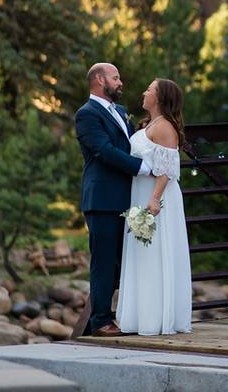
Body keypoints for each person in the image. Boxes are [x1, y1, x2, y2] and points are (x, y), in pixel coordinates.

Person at [74, 62, 154, 338]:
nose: (121, 82)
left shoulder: (119, 111)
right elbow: (104, 151)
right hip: (102, 199)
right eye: (115, 77)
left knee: (127, 261)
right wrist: (142, 168)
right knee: (104, 262)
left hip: (128, 197)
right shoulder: (86, 114)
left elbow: (131, 144)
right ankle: (100, 322)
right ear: (99, 79)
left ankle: (129, 315)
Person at [116, 78, 193, 336]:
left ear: (159, 98)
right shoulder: (151, 124)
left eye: (149, 89)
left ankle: (156, 318)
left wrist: (154, 199)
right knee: (142, 257)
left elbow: (169, 169)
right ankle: (140, 316)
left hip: (156, 200)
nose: (144, 92)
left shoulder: (165, 128)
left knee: (154, 256)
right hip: (140, 195)